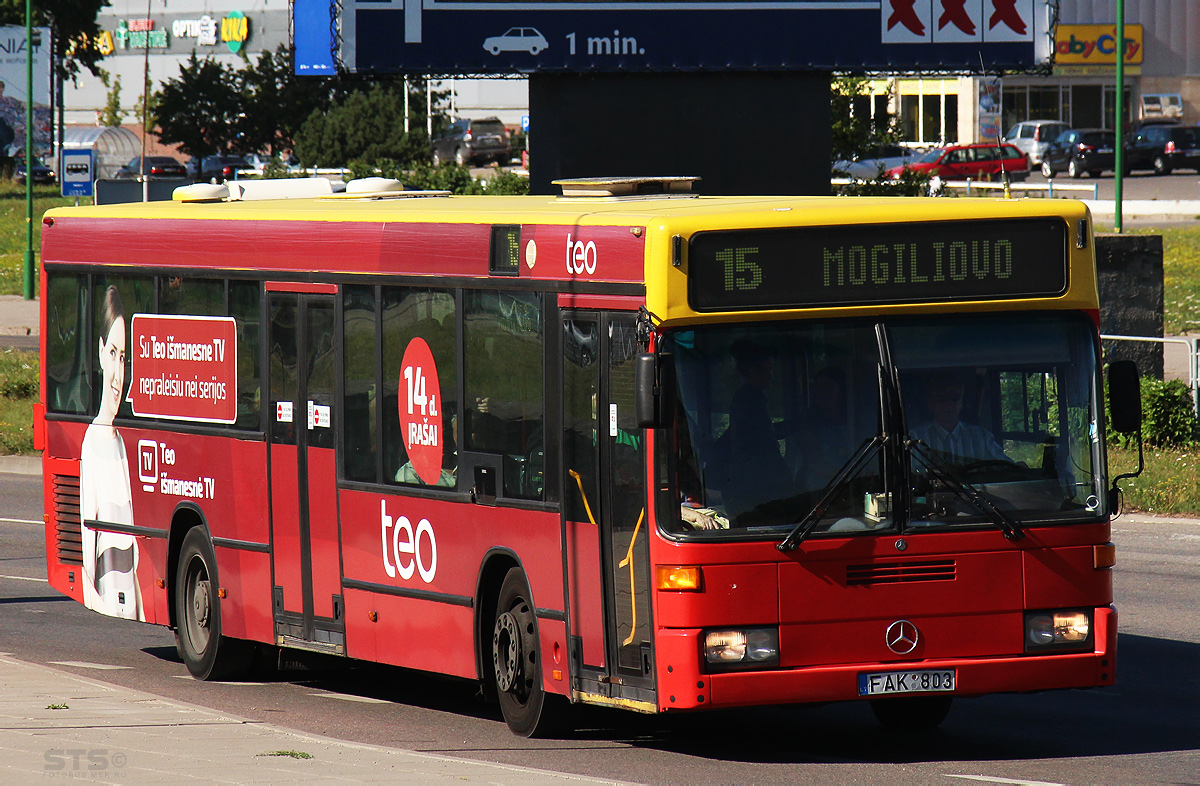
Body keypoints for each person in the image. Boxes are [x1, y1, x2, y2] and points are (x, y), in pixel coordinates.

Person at [79, 286, 143, 621]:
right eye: (114, 353)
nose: (120, 371)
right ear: (101, 352)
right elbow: (87, 563)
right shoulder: (93, 444)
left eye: (126, 358)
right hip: (109, 600)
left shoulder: (122, 442)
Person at [724, 340, 792, 521]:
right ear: (753, 370)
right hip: (757, 485)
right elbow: (763, 440)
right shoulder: (750, 399)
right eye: (769, 368)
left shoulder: (746, 398)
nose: (772, 374)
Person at [909, 373, 1008, 465]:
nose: (949, 404)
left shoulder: (981, 437)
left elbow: (1005, 466)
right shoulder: (915, 439)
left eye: (954, 398)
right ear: (931, 405)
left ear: (961, 403)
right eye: (942, 399)